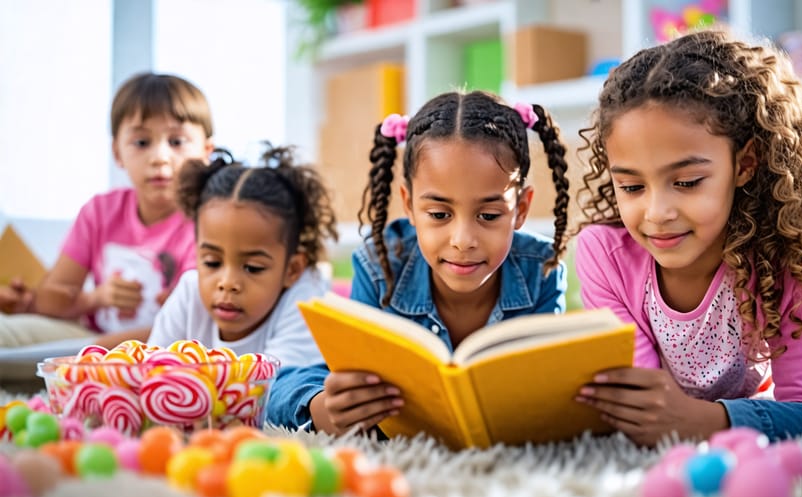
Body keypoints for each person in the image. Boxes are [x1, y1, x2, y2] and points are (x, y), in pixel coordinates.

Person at [573, 29, 802, 446]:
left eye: (688, 182)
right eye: (632, 188)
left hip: (752, 419)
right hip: (681, 427)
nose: (657, 214)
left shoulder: (781, 255)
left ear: (744, 165)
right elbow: (648, 405)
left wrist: (713, 421)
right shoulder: (604, 254)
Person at [267, 90, 572, 434]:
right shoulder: (379, 266)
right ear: (409, 205)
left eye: (488, 215)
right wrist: (323, 405)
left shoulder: (542, 270)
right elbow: (297, 383)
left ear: (522, 209)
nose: (462, 239)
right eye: (440, 214)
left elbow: (546, 387)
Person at [0, 72, 214, 349]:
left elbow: (193, 325)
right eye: (141, 142)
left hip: (165, 348)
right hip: (89, 340)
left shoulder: (208, 222)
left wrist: (96, 353)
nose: (160, 157)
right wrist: (95, 298)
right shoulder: (100, 211)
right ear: (117, 152)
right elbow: (49, 297)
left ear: (207, 151)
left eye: (177, 142)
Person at [147, 144, 338, 368]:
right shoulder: (190, 294)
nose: (227, 283)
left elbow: (274, 391)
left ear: (292, 269)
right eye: (212, 262)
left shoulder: (306, 302)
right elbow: (152, 371)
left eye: (253, 267)